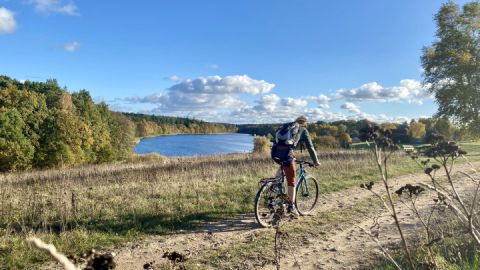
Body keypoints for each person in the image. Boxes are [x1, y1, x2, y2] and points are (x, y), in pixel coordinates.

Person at [271, 115, 320, 216]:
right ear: (305, 123)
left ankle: (274, 186)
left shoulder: (288, 127)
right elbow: (310, 147)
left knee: (283, 167)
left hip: (275, 153)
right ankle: (291, 207)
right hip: (287, 154)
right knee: (291, 181)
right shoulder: (303, 130)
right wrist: (316, 161)